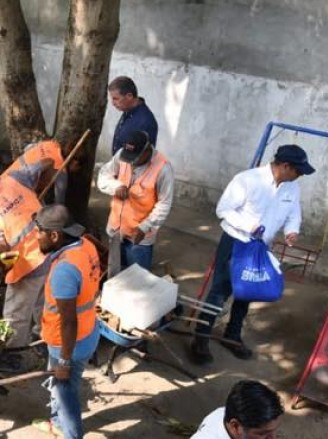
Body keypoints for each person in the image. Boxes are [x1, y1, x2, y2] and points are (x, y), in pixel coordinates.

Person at [188, 144, 313, 365]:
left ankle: (232, 336)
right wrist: (249, 226)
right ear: (285, 166)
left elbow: (294, 212)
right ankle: (201, 337)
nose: (300, 175)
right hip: (236, 242)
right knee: (220, 291)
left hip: (261, 246)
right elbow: (223, 210)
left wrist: (292, 230)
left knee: (248, 291)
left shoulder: (291, 187)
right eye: (298, 170)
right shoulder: (247, 180)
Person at [0, 151, 56, 369]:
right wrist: (39, 190)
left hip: (27, 266)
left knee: (15, 315)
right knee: (43, 302)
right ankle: (45, 341)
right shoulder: (16, 179)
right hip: (51, 251)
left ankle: (14, 356)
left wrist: (4, 271)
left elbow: (1, 248)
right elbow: (48, 162)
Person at [35, 205, 101, 439]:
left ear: (54, 236)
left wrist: (63, 360)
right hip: (88, 331)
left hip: (71, 341)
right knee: (60, 386)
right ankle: (56, 422)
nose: (35, 236)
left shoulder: (64, 269)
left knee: (66, 391)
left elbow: (69, 322)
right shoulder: (85, 245)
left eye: (39, 232)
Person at [97, 130, 174, 275]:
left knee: (136, 279)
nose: (130, 163)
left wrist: (145, 227)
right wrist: (116, 186)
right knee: (114, 275)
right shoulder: (122, 155)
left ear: (147, 150)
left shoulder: (163, 168)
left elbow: (164, 204)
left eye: (135, 159)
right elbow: (103, 176)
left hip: (139, 238)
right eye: (129, 158)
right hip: (115, 230)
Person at [108, 76, 158, 154]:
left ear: (129, 96)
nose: (113, 103)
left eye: (116, 99)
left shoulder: (145, 122)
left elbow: (143, 157)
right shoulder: (128, 110)